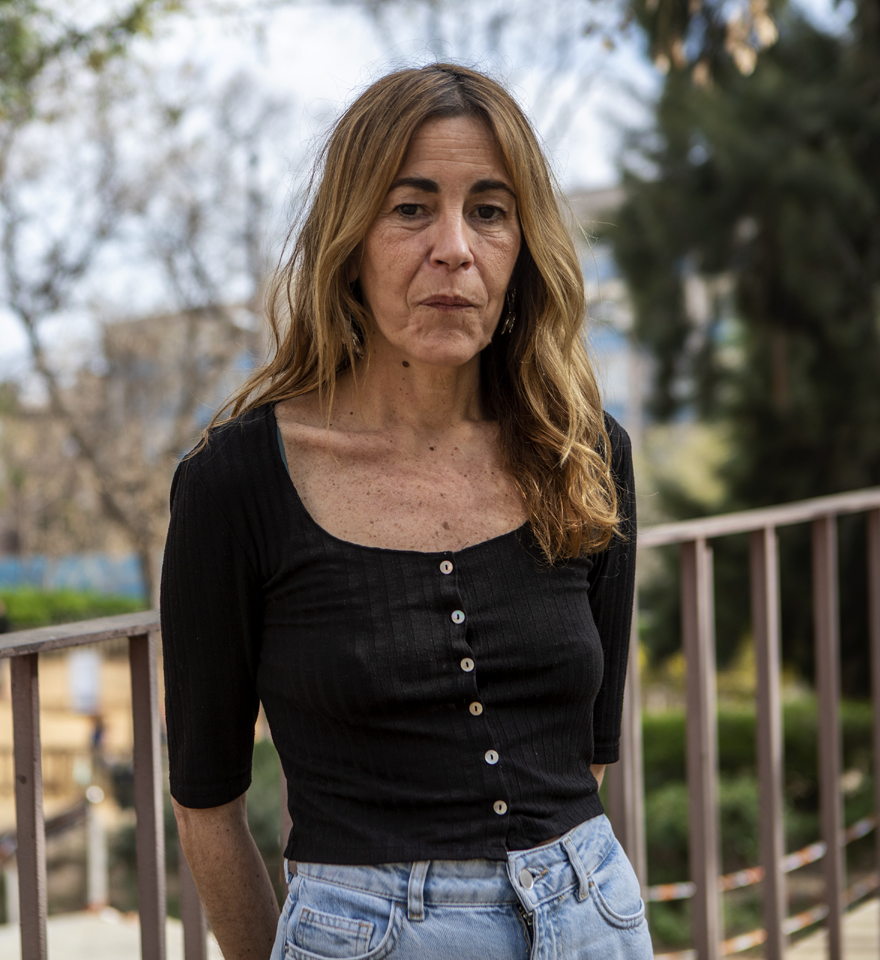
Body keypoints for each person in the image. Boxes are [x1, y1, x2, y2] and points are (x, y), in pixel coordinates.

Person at [160, 63, 647, 960]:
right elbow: (206, 803)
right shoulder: (235, 483)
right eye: (411, 208)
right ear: (349, 242)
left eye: (489, 211)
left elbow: (588, 751)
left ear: (523, 246)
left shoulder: (582, 454)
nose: (454, 248)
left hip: (593, 917)